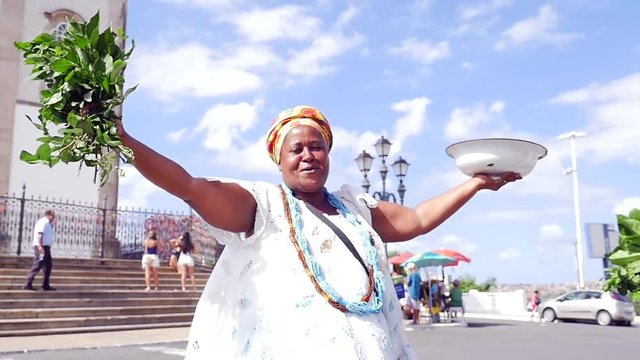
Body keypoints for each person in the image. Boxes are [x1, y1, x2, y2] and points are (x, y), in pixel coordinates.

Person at [115, 105, 520, 359]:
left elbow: (416, 219)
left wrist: (477, 184)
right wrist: (121, 138)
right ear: (280, 159)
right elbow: (190, 186)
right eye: (297, 149)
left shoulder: (356, 208)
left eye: (317, 146)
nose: (309, 155)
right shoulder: (263, 207)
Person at [23, 210, 56, 291]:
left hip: (46, 247)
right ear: (49, 215)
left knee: (48, 266)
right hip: (41, 246)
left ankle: (45, 285)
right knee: (38, 264)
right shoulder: (43, 222)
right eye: (53, 216)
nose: (54, 218)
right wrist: (40, 246)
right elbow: (40, 234)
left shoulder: (48, 223)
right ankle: (28, 283)